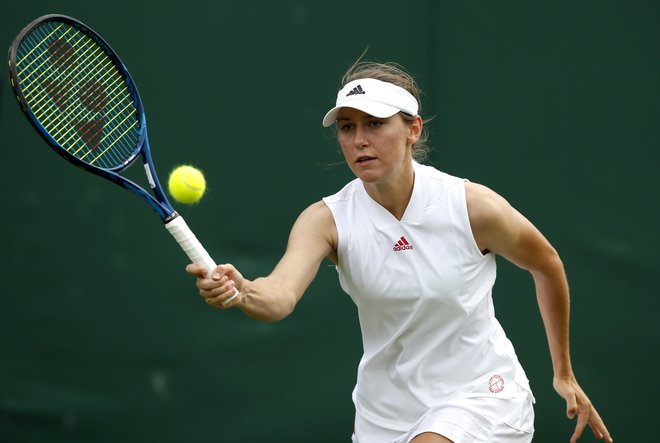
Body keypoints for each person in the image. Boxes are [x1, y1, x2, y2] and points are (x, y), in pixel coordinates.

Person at [186, 61, 612, 443]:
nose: (358, 140)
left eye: (374, 124)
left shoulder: (472, 206)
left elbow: (547, 263)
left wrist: (564, 373)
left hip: (481, 395)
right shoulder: (326, 220)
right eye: (347, 127)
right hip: (384, 416)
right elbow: (278, 298)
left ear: (413, 130)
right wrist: (241, 292)